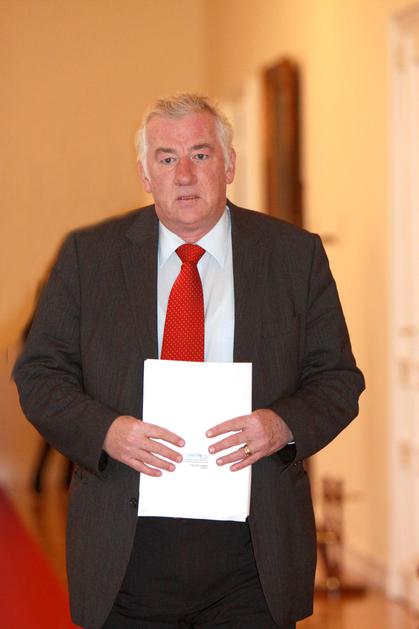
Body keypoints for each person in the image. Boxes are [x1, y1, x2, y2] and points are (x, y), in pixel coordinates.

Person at [14, 93, 365, 629]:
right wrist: (106, 432)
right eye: (166, 158)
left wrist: (281, 425)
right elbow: (39, 374)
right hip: (126, 548)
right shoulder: (89, 258)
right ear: (144, 173)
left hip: (254, 553)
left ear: (229, 165)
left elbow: (338, 380)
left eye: (200, 154)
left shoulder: (295, 256)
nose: (184, 175)